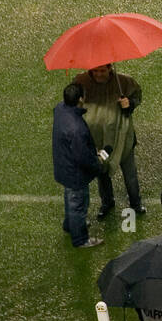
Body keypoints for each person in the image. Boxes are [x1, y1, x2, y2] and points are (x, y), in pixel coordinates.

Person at [72, 63, 144, 220]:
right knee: (102, 172)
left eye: (102, 70)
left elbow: (137, 97)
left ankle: (135, 202)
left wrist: (129, 104)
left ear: (110, 68)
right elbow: (72, 102)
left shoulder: (124, 82)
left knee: (130, 174)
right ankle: (107, 202)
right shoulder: (80, 81)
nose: (99, 74)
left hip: (121, 139)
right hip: (97, 141)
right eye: (95, 70)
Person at [52, 82, 106, 249]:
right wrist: (97, 166)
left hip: (64, 167)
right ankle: (80, 239)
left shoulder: (60, 109)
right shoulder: (76, 128)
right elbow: (83, 157)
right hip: (75, 173)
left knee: (71, 199)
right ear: (80, 99)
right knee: (78, 205)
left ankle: (70, 225)